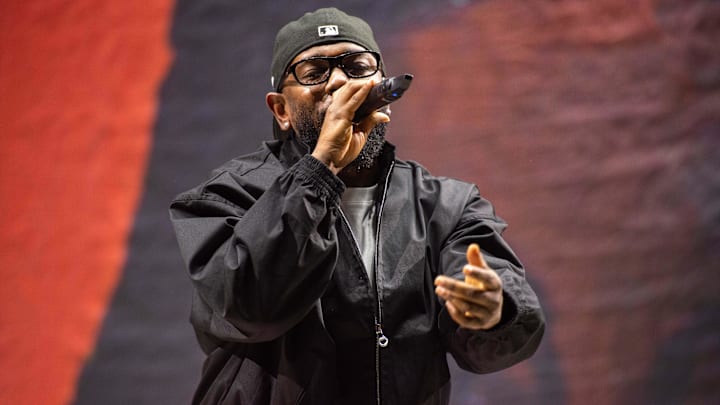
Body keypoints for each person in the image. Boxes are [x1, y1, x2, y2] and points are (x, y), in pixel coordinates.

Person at [170, 7, 545, 405]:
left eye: (357, 66)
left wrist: (495, 313)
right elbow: (250, 307)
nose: (339, 82)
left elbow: (505, 332)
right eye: (314, 73)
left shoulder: (447, 206)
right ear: (281, 110)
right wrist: (321, 167)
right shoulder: (225, 196)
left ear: (384, 89)